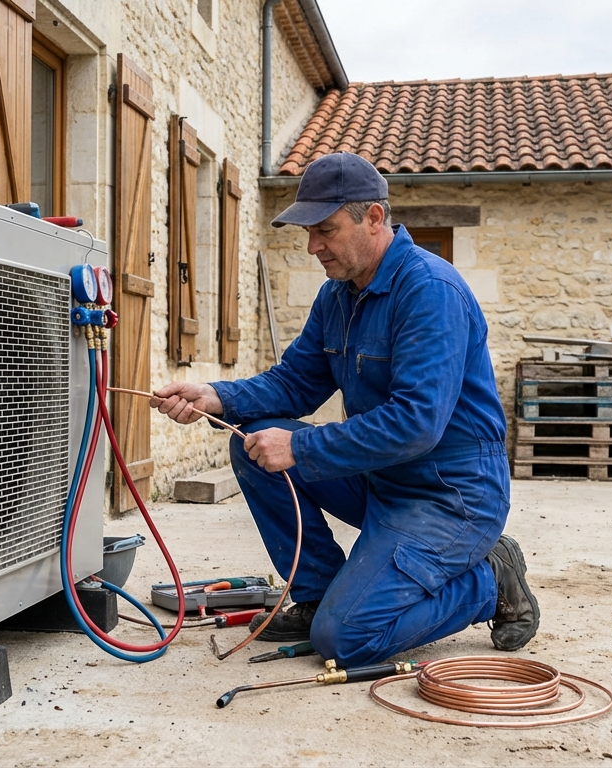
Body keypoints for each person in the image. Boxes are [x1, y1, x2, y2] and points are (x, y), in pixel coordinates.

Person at [150, 152, 539, 667]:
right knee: (253, 444)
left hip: (450, 495)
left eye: (325, 230)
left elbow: (416, 423)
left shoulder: (430, 291)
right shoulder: (337, 296)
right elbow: (295, 382)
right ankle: (320, 594)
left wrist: (302, 446)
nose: (313, 246)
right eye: (309, 232)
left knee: (345, 641)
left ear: (373, 218)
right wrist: (215, 396)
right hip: (382, 479)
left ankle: (489, 581)